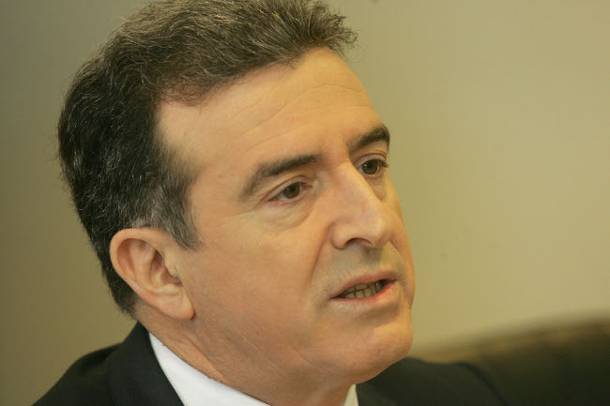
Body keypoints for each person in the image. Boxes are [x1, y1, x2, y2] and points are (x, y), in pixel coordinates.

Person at [37, 1, 507, 405]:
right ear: (160, 270)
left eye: (370, 165)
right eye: (291, 190)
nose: (374, 222)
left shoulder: (467, 397)